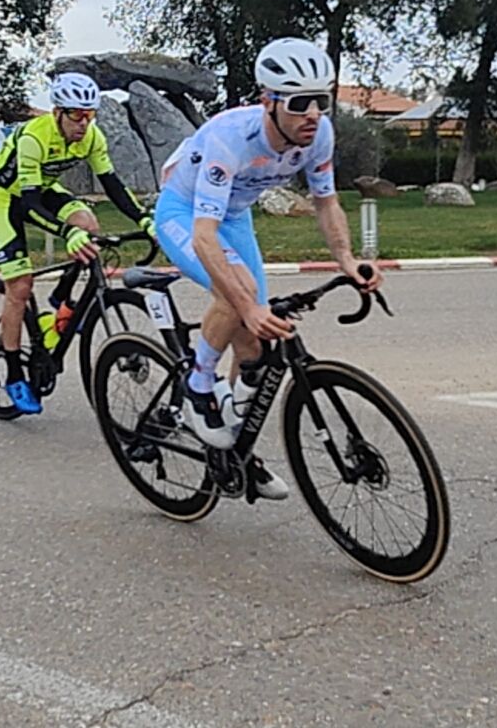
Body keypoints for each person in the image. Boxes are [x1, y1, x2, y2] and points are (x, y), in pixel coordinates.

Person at [152, 37, 379, 501]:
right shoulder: (230, 138)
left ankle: (235, 452)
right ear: (268, 102)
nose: (312, 113)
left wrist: (348, 261)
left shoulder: (319, 135)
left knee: (255, 346)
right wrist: (246, 304)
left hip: (234, 216)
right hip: (185, 212)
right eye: (299, 103)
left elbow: (326, 202)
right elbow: (203, 237)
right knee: (241, 296)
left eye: (321, 100)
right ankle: (198, 389)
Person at [0, 72, 153, 414]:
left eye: (90, 114)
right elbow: (28, 203)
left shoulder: (92, 137)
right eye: (76, 114)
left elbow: (113, 185)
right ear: (57, 111)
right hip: (5, 198)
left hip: (43, 190)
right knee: (20, 287)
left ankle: (61, 297)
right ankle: (15, 373)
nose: (83, 123)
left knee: (87, 223)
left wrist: (144, 219)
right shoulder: (34, 138)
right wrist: (66, 233)